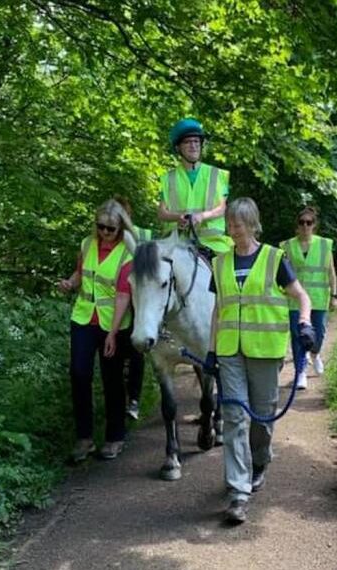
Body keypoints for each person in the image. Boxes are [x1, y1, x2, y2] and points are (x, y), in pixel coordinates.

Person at [205, 197, 315, 524]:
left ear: (252, 224)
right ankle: (238, 492)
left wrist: (305, 322)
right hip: (230, 351)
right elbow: (218, 310)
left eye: (238, 225)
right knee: (234, 415)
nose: (232, 231)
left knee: (262, 417)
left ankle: (260, 460)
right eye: (229, 225)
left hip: (265, 350)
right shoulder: (220, 263)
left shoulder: (273, 259)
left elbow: (301, 296)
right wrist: (211, 350)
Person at [59, 199, 134, 461]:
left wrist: (113, 333)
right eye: (100, 226)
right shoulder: (88, 244)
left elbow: (124, 296)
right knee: (79, 374)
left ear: (121, 228)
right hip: (83, 318)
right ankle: (84, 438)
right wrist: (70, 283)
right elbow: (81, 273)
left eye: (110, 228)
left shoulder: (127, 253)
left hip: (112, 324)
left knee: (112, 380)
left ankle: (115, 437)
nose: (104, 232)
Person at [280, 207, 337, 390]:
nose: (305, 226)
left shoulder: (324, 245)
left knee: (319, 333)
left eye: (309, 222)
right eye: (302, 222)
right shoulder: (287, 246)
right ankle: (300, 372)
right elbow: (282, 274)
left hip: (319, 298)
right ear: (297, 226)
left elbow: (331, 272)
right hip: (295, 300)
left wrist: (335, 295)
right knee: (298, 336)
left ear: (314, 225)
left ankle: (315, 353)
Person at [158, 117, 233, 255]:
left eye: (196, 141)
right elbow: (162, 213)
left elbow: (222, 208)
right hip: (177, 242)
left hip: (213, 243)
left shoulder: (216, 174)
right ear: (178, 148)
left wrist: (202, 216)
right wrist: (177, 217)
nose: (193, 145)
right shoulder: (168, 179)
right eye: (187, 142)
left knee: (229, 272)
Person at [114, 195, 152, 421]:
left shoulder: (142, 236)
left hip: (137, 298)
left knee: (136, 348)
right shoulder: (102, 238)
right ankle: (122, 401)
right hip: (112, 302)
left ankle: (134, 399)